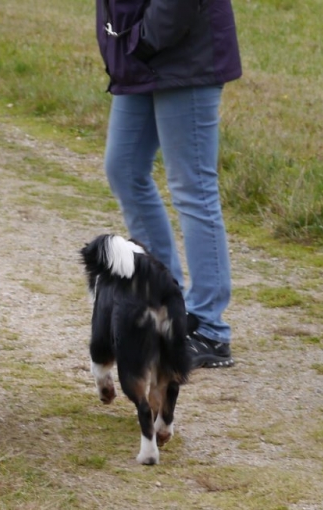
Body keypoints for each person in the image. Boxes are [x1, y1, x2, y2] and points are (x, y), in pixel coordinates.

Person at [95, 0, 241, 368]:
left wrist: (144, 38)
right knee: (124, 168)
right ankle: (166, 301)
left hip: (183, 53)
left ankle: (209, 327)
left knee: (192, 187)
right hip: (140, 56)